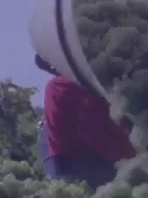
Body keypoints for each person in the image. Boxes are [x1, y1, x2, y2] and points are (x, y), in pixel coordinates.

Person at [34, 55, 136, 187]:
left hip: (65, 164)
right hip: (78, 164)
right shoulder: (65, 85)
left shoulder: (59, 86)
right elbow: (93, 131)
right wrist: (132, 156)